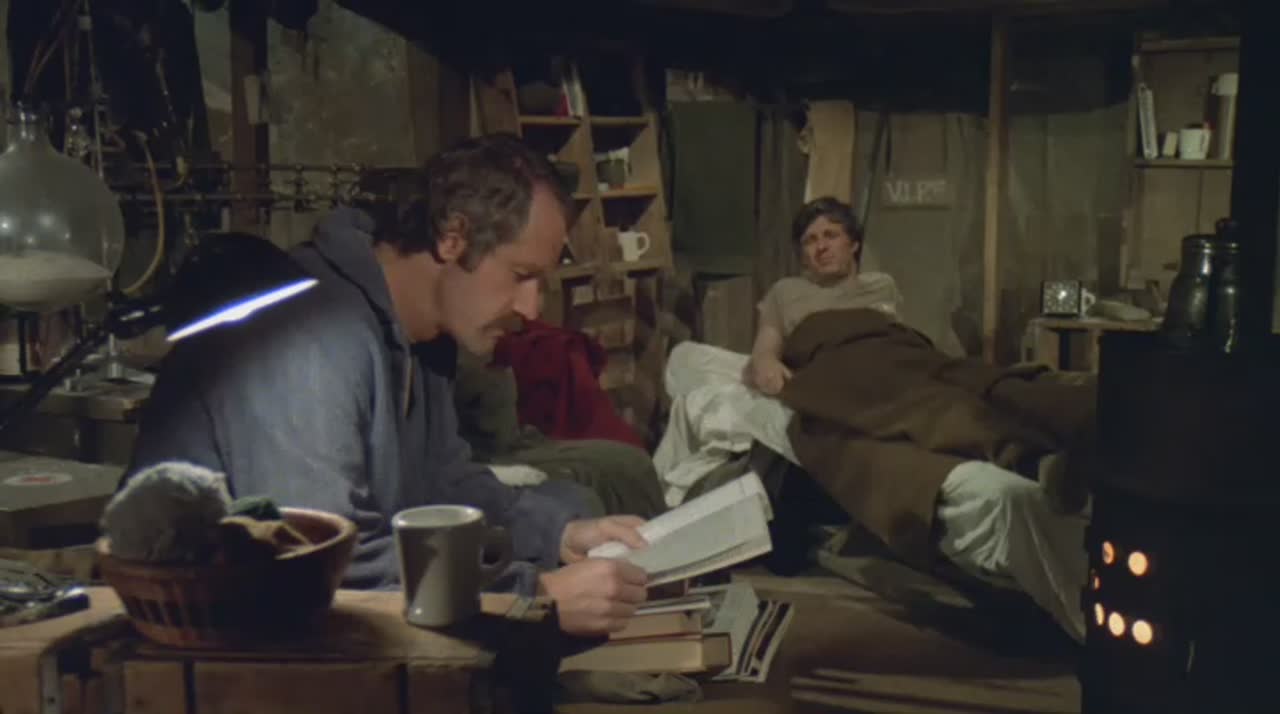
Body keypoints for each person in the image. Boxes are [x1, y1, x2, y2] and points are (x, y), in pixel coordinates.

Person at [127, 134, 649, 636]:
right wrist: (532, 594)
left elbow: (444, 484)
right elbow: (323, 561)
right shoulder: (314, 335)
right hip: (213, 640)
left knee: (574, 505)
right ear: (452, 238)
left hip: (308, 636)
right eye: (520, 275)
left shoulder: (424, 340)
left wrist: (559, 534)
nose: (531, 309)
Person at [744, 196, 902, 396]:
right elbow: (764, 351)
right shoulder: (784, 291)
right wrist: (765, 363)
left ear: (854, 244)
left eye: (831, 235)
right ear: (803, 256)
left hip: (880, 379)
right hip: (823, 383)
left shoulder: (881, 286)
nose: (821, 247)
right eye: (810, 241)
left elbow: (897, 345)